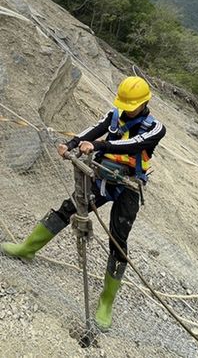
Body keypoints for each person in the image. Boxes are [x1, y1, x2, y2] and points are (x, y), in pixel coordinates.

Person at [1, 76, 166, 330]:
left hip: (129, 186)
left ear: (144, 103)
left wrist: (98, 145)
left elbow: (133, 144)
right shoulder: (114, 115)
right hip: (101, 176)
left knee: (118, 240)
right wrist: (72, 143)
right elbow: (92, 130)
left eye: (130, 105)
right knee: (68, 209)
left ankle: (106, 302)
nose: (125, 108)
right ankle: (27, 249)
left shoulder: (155, 128)